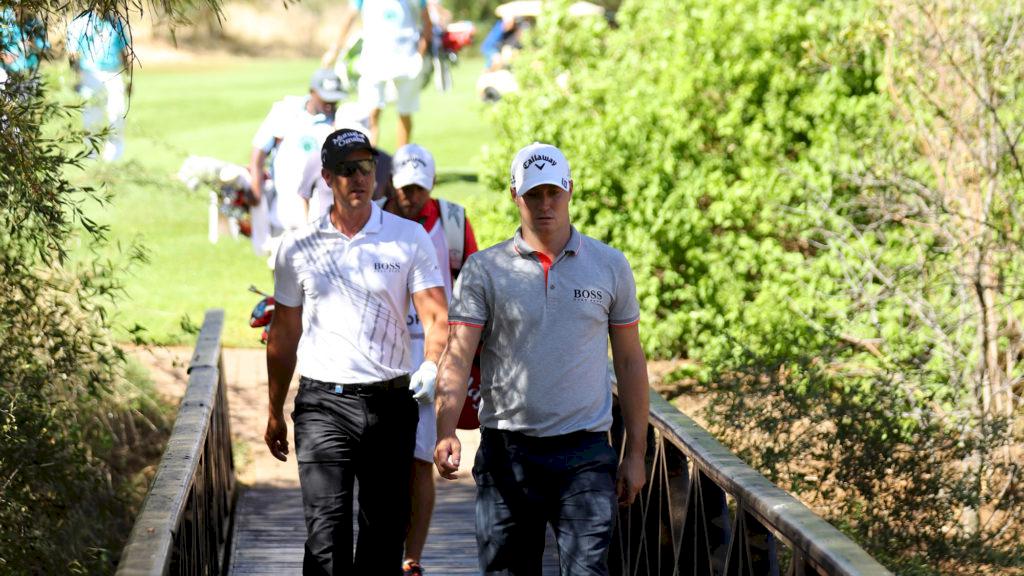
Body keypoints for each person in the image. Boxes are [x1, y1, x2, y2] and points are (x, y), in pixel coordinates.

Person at [433, 142, 650, 575]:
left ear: (570, 189)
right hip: (507, 452)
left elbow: (630, 362)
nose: (545, 204)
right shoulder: (484, 269)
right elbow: (457, 356)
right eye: (534, 194)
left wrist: (636, 454)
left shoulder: (609, 265)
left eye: (553, 192)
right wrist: (445, 430)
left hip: (585, 453)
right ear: (515, 194)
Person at [266, 128, 449, 575]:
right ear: (327, 178)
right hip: (322, 405)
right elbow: (284, 333)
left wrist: (430, 363)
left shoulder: (408, 237)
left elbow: (436, 316)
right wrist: (274, 409)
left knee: (383, 540)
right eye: (347, 170)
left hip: (390, 403)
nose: (358, 178)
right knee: (326, 538)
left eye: (366, 167)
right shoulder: (299, 246)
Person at [379, 143, 478, 576]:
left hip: (435, 354)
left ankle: (411, 558)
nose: (411, 197)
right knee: (382, 463)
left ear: (432, 184)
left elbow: (473, 284)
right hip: (382, 356)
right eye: (405, 188)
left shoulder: (452, 223)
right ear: (391, 184)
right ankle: (383, 550)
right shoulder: (373, 219)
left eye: (419, 188)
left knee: (422, 461)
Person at [248, 68, 345, 257]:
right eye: (326, 99)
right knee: (282, 263)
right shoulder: (286, 111)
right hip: (284, 204)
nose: (330, 105)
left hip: (321, 207)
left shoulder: (340, 120)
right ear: (312, 92)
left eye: (334, 100)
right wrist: (255, 188)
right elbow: (259, 150)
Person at [320, 0, 432, 147]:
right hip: (374, 60)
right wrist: (334, 50)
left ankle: (402, 156)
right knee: (370, 114)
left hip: (406, 59)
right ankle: (368, 157)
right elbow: (349, 18)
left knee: (405, 113)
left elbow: (427, 22)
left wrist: (420, 55)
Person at [65, 10, 129, 162]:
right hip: (90, 74)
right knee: (92, 114)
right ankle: (91, 152)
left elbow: (123, 51)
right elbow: (72, 52)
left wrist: (128, 78)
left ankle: (114, 154)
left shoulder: (116, 21)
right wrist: (77, 76)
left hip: (114, 72)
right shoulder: (81, 21)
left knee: (117, 112)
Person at [1, 7, 48, 75]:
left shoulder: (32, 21)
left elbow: (43, 45)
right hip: (7, 67)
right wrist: (3, 55)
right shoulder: (4, 16)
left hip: (25, 65)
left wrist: (31, 45)